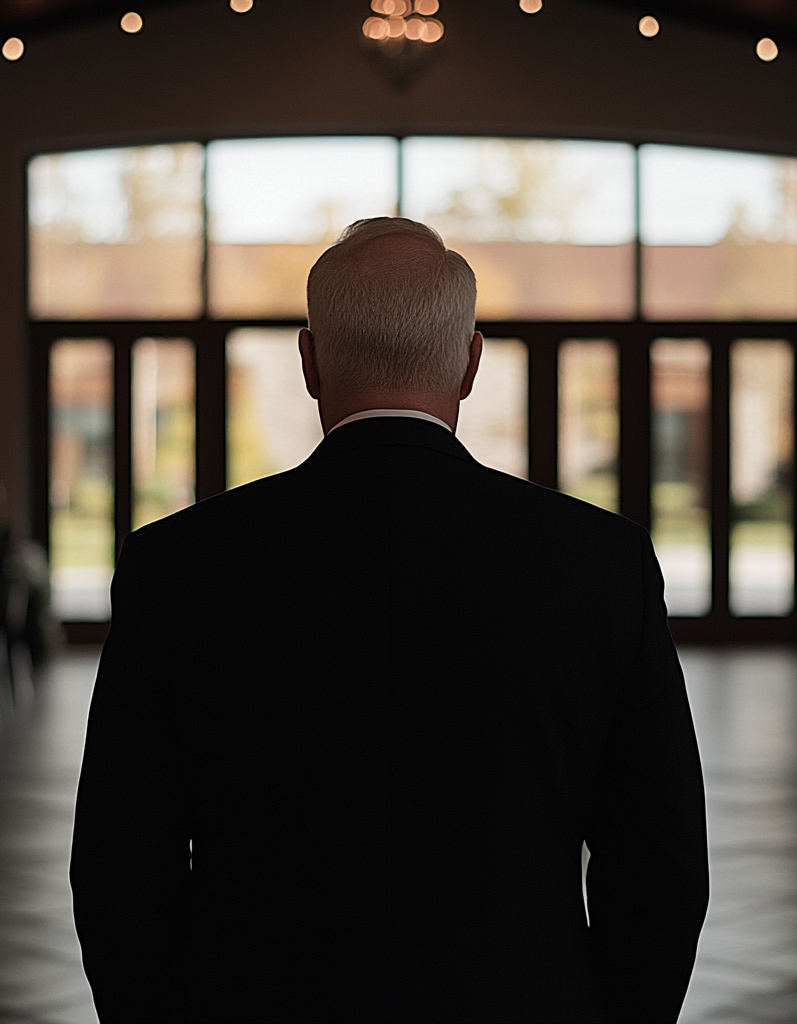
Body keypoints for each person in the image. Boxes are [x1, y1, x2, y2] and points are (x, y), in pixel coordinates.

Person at [71, 217, 709, 1023]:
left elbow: (118, 876)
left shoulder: (176, 567)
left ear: (308, 361)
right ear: (470, 362)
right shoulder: (599, 563)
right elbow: (662, 870)